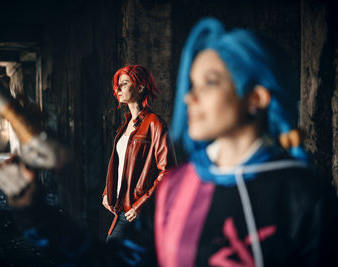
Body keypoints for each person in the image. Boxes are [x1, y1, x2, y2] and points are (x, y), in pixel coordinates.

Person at [154, 17, 338, 267]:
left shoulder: (304, 194)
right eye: (192, 84)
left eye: (210, 82)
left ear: (256, 98)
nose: (189, 97)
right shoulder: (175, 187)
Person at [102, 64, 177, 243]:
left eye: (124, 83)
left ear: (140, 87)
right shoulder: (125, 126)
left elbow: (168, 171)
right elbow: (121, 165)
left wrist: (141, 205)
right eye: (117, 84)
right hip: (121, 207)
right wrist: (107, 192)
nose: (118, 88)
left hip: (136, 211)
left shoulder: (155, 124)